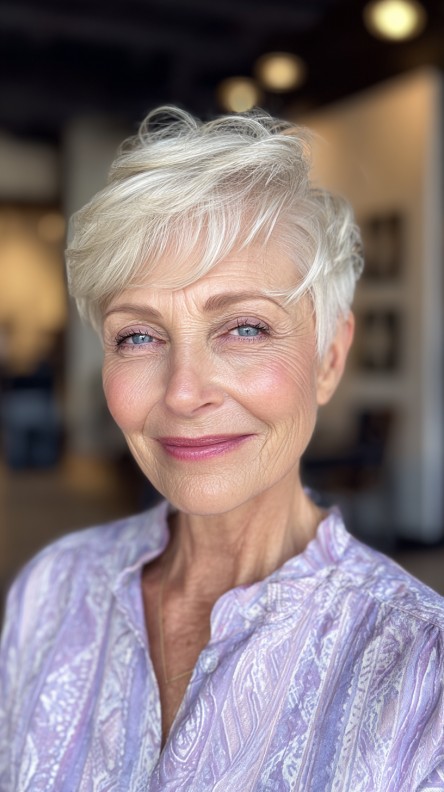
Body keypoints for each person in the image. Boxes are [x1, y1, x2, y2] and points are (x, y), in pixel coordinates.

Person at [1, 107, 443, 792]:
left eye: (243, 327)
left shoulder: (421, 672)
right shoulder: (51, 591)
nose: (183, 393)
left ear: (329, 357)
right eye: (139, 336)